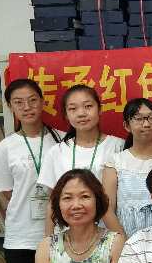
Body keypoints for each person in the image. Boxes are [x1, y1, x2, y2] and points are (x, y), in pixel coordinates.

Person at [0, 79, 63, 263]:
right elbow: (6, 191)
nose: (27, 107)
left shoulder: (62, 139)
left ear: (42, 102)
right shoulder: (5, 147)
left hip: (62, 234)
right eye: (19, 102)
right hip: (21, 237)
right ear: (10, 107)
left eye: (32, 100)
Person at [30, 169, 125, 263]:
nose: (76, 205)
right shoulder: (47, 246)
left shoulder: (115, 242)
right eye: (67, 198)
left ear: (98, 200)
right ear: (58, 204)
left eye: (85, 197)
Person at [38, 84, 125, 235]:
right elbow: (53, 202)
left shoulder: (118, 147)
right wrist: (48, 240)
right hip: (67, 235)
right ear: (66, 115)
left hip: (108, 235)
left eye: (88, 106)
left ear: (100, 109)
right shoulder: (56, 152)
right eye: (73, 108)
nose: (81, 113)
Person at [101, 98, 152, 237]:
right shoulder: (115, 162)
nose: (146, 124)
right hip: (126, 239)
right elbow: (107, 210)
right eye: (139, 119)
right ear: (127, 125)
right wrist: (124, 242)